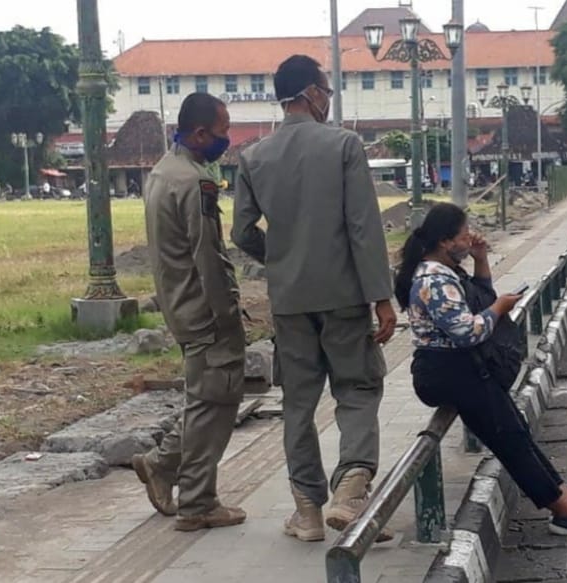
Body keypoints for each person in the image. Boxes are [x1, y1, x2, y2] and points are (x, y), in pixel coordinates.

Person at [231, 54, 396, 543]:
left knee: (298, 406)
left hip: (290, 301)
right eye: (325, 89)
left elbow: (242, 231)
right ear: (308, 93)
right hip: (344, 294)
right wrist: (381, 297)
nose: (328, 99)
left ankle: (306, 512)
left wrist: (279, 258)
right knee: (358, 389)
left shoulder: (253, 157)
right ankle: (351, 489)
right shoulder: (344, 145)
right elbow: (363, 228)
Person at [398, 202, 567, 536]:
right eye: (462, 235)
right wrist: (500, 308)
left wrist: (482, 260)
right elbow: (467, 332)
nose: (467, 239)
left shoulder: (447, 272)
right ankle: (564, 511)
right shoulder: (433, 280)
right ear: (444, 241)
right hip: (447, 372)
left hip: (462, 369)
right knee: (509, 439)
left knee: (515, 430)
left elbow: (481, 299)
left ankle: (562, 496)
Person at [130, 92, 248, 531]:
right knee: (214, 402)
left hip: (177, 303)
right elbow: (207, 256)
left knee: (206, 398)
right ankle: (197, 502)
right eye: (222, 131)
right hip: (204, 310)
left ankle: (161, 465)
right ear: (200, 133)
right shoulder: (196, 182)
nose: (226, 139)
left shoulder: (161, 173)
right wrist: (227, 314)